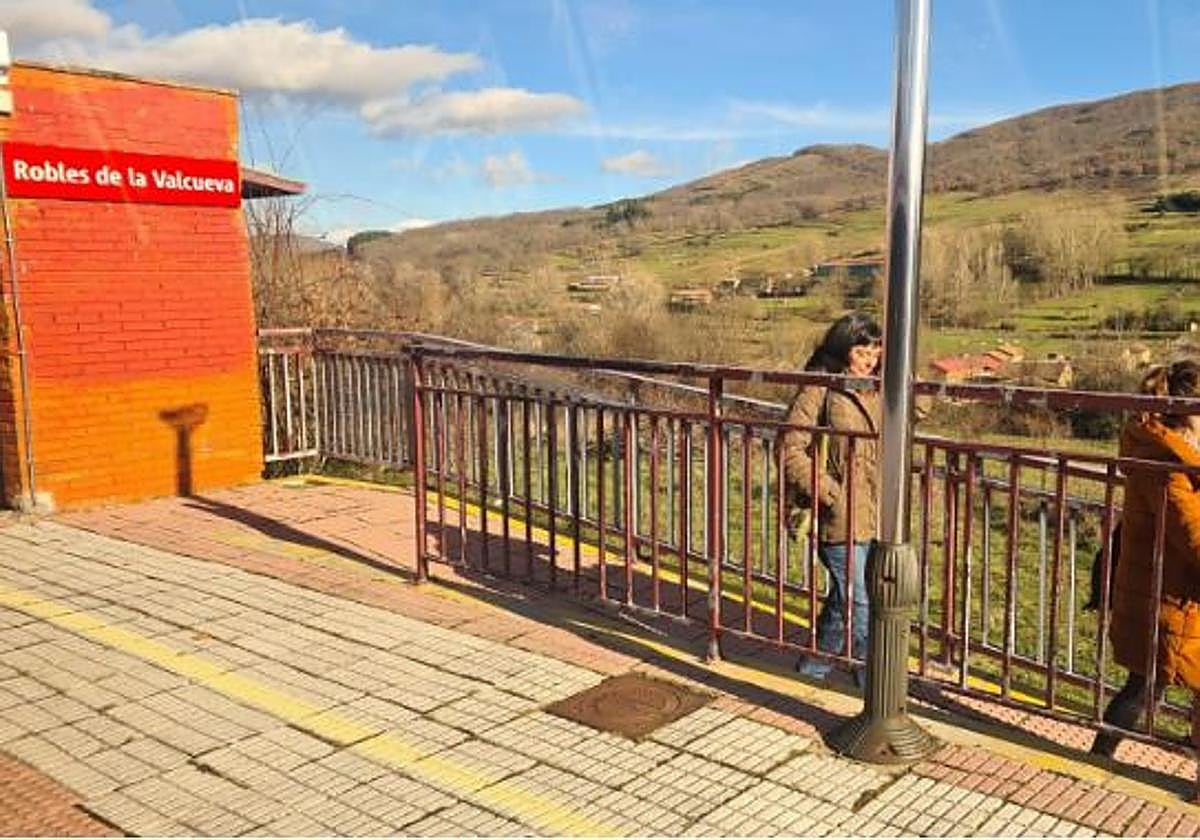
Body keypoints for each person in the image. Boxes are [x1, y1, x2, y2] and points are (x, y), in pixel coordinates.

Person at [1093, 359, 1200, 795]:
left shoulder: (1175, 451)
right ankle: (1096, 758)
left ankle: (1097, 756)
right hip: (1168, 591)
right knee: (1146, 684)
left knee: (1145, 684)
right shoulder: (1166, 460)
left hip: (1172, 589)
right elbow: (1190, 532)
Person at [781, 312, 883, 683]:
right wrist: (830, 493)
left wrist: (909, 378)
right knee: (857, 597)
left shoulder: (877, 388)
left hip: (875, 510)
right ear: (843, 349)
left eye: (876, 352)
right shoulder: (821, 386)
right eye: (862, 352)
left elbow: (916, 411)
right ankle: (869, 675)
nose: (870, 360)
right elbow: (791, 446)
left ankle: (816, 664)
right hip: (838, 514)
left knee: (849, 594)